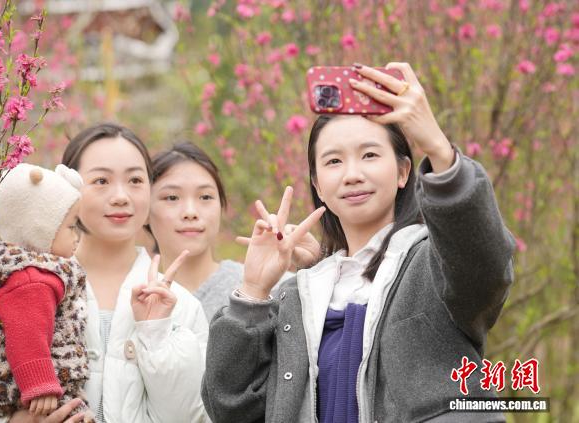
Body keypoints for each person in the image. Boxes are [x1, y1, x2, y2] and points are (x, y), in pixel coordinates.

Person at [201, 63, 515, 422]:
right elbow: (230, 407)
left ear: (403, 172)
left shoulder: (434, 265)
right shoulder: (297, 297)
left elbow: (486, 269)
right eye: (334, 161)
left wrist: (439, 151)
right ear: (318, 185)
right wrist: (254, 292)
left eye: (370, 155)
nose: (352, 174)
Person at [0, 123, 210, 423]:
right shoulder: (18, 282)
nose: (121, 196)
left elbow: (191, 415)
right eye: (101, 180)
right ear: (67, 191)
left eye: (136, 180)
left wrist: (156, 332)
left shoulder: (181, 306)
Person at [0, 163, 93, 421]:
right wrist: (40, 385)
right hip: (14, 386)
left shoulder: (19, 268)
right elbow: (27, 333)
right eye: (72, 226)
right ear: (41, 228)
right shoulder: (29, 279)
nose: (78, 236)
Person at [147, 142, 309, 319]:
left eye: (205, 197)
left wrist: (314, 265)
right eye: (172, 197)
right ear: (145, 210)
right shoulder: (132, 298)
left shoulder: (276, 288)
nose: (190, 212)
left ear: (221, 206)